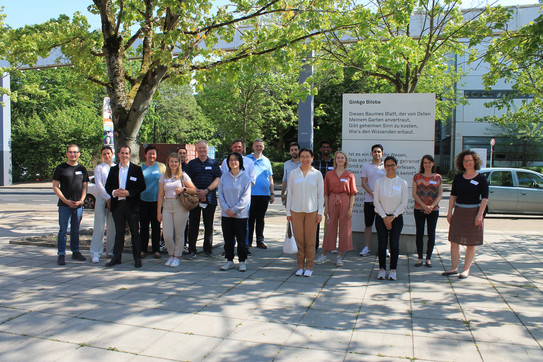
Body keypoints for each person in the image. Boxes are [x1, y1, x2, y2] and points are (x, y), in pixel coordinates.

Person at [443, 150, 489, 279]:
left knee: (471, 243)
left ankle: (466, 269)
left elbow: (485, 198)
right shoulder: (458, 178)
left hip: (473, 212)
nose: (467, 163)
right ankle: (453, 267)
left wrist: (479, 215)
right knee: (454, 241)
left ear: (475, 162)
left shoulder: (481, 179)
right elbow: (453, 196)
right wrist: (449, 212)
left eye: (469, 160)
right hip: (459, 212)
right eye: (465, 161)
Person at [105, 146, 147, 268]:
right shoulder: (113, 170)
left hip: (132, 206)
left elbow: (142, 186)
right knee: (119, 233)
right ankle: (117, 258)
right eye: (122, 153)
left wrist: (129, 193)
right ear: (118, 154)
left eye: (127, 153)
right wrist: (114, 192)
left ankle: (137, 259)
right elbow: (108, 186)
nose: (124, 155)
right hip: (118, 205)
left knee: (135, 232)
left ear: (129, 155)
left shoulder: (136, 169)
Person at [286, 148, 324, 277]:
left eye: (308, 156)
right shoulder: (293, 173)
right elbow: (289, 193)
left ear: (312, 158)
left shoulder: (317, 174)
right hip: (296, 211)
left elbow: (320, 195)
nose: (305, 159)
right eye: (302, 156)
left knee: (310, 241)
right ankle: (300, 266)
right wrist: (288, 212)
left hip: (312, 211)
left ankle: (309, 267)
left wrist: (320, 212)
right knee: (299, 240)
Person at [316, 151, 358, 267]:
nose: (339, 159)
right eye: (337, 158)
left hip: (345, 201)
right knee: (329, 228)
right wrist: (326, 207)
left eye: (342, 157)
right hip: (332, 200)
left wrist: (350, 208)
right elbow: (325, 192)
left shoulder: (350, 175)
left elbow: (353, 193)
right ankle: (324, 255)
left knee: (344, 229)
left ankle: (340, 256)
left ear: (345, 160)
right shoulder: (329, 174)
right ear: (335, 160)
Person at [157, 153, 197, 267]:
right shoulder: (163, 176)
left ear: (179, 163)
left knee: (179, 233)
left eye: (176, 162)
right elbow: (160, 195)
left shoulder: (183, 175)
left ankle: (176, 256)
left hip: (180, 205)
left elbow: (194, 190)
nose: (173, 164)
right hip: (167, 205)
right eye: (171, 161)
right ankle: (170, 254)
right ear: (168, 163)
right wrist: (158, 212)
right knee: (167, 234)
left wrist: (183, 188)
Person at [52, 144, 89, 265]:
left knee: (75, 230)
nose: (73, 154)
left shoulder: (82, 169)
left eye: (75, 152)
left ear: (79, 154)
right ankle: (61, 254)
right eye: (70, 152)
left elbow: (85, 187)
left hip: (78, 205)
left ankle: (75, 252)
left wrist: (82, 200)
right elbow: (55, 187)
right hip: (64, 205)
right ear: (67, 154)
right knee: (63, 230)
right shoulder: (61, 168)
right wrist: (65, 200)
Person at [373, 156, 408, 281]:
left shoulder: (402, 183)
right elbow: (376, 201)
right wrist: (384, 217)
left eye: (392, 165)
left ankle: (393, 269)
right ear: (384, 167)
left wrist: (392, 217)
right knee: (382, 244)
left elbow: (404, 202)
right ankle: (382, 269)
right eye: (387, 165)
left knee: (394, 244)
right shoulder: (379, 182)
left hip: (396, 218)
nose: (390, 168)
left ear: (396, 166)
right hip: (381, 217)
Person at [186, 140, 222, 258]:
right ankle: (192, 250)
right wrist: (197, 192)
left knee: (208, 225)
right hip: (194, 199)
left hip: (210, 198)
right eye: (199, 148)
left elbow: (217, 178)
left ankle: (208, 250)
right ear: (196, 150)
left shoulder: (214, 163)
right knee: (193, 225)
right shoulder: (191, 164)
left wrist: (206, 191)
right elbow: (187, 180)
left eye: (204, 148)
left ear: (207, 149)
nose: (202, 150)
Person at [218, 152, 252, 272]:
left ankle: (242, 261)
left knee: (241, 239)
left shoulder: (246, 177)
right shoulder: (224, 177)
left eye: (235, 160)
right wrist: (227, 209)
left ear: (240, 162)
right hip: (226, 214)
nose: (233, 162)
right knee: (228, 239)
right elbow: (220, 194)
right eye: (231, 160)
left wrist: (234, 210)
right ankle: (229, 260)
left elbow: (246, 197)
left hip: (240, 215)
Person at [412, 154, 443, 268]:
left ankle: (428, 258)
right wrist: (424, 206)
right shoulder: (417, 177)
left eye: (429, 162)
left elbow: (440, 194)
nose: (427, 164)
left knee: (431, 233)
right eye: (425, 162)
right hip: (419, 209)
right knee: (419, 233)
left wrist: (432, 206)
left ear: (433, 163)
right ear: (422, 164)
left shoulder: (438, 177)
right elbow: (414, 194)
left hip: (433, 210)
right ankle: (420, 257)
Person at [89, 146, 116, 263]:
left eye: (108, 153)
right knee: (99, 225)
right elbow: (99, 185)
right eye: (104, 154)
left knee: (112, 226)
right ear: (102, 155)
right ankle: (96, 252)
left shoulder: (117, 167)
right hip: (102, 197)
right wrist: (107, 198)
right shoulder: (99, 168)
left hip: (114, 197)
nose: (107, 156)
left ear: (112, 154)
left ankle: (111, 251)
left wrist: (112, 198)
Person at [139, 145, 166, 259]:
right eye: (149, 154)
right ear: (145, 154)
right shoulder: (140, 167)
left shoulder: (161, 166)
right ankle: (143, 249)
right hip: (143, 201)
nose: (152, 156)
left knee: (156, 226)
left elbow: (166, 182)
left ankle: (156, 250)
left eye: (154, 154)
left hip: (157, 202)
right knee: (144, 227)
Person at [247, 139, 274, 249]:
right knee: (250, 218)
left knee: (260, 219)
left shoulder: (266, 160)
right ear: (253, 147)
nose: (258, 148)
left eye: (260, 146)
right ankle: (248, 241)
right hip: (250, 194)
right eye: (256, 146)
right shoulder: (247, 159)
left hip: (264, 194)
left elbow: (270, 177)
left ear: (263, 147)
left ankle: (260, 240)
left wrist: (272, 193)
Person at [360, 144, 385, 256]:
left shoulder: (386, 166)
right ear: (371, 153)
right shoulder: (366, 166)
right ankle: (366, 247)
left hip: (383, 201)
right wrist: (372, 193)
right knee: (368, 224)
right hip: (369, 200)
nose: (377, 153)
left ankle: (384, 248)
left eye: (379, 151)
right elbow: (363, 182)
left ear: (382, 153)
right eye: (375, 151)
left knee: (384, 225)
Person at [312, 141, 334, 252]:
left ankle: (330, 245)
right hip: (317, 195)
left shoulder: (334, 163)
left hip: (331, 195)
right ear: (320, 149)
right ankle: (315, 245)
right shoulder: (315, 163)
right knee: (316, 220)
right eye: (323, 147)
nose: (325, 149)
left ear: (330, 149)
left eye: (327, 147)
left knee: (330, 221)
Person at [281, 142, 301, 206]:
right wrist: (282, 194)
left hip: (302, 193)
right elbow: (285, 180)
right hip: (289, 193)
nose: (294, 152)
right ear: (290, 152)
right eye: (292, 150)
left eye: (295, 150)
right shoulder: (286, 164)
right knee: (289, 215)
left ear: (299, 151)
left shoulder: (304, 163)